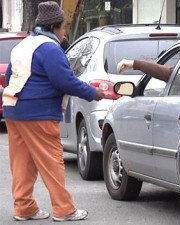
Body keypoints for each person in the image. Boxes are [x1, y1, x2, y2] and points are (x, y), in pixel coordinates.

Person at [2, 1, 104, 222]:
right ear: (56, 26)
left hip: (12, 108)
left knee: (22, 162)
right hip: (38, 111)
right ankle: (64, 209)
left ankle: (24, 207)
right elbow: (65, 81)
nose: (64, 31)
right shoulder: (50, 48)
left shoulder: (23, 45)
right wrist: (93, 93)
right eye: (64, 27)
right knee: (52, 161)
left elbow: (10, 77)